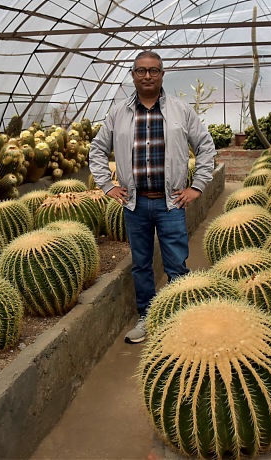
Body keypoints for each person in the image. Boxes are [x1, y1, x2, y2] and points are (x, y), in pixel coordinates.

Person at [88, 50, 217, 344]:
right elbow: (97, 150)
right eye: (141, 71)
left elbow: (206, 147)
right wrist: (107, 185)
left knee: (176, 265)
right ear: (133, 75)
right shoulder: (119, 113)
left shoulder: (181, 110)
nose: (147, 76)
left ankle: (178, 318)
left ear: (162, 74)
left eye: (153, 71)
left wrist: (196, 186)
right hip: (135, 204)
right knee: (141, 265)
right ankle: (147, 316)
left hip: (170, 202)